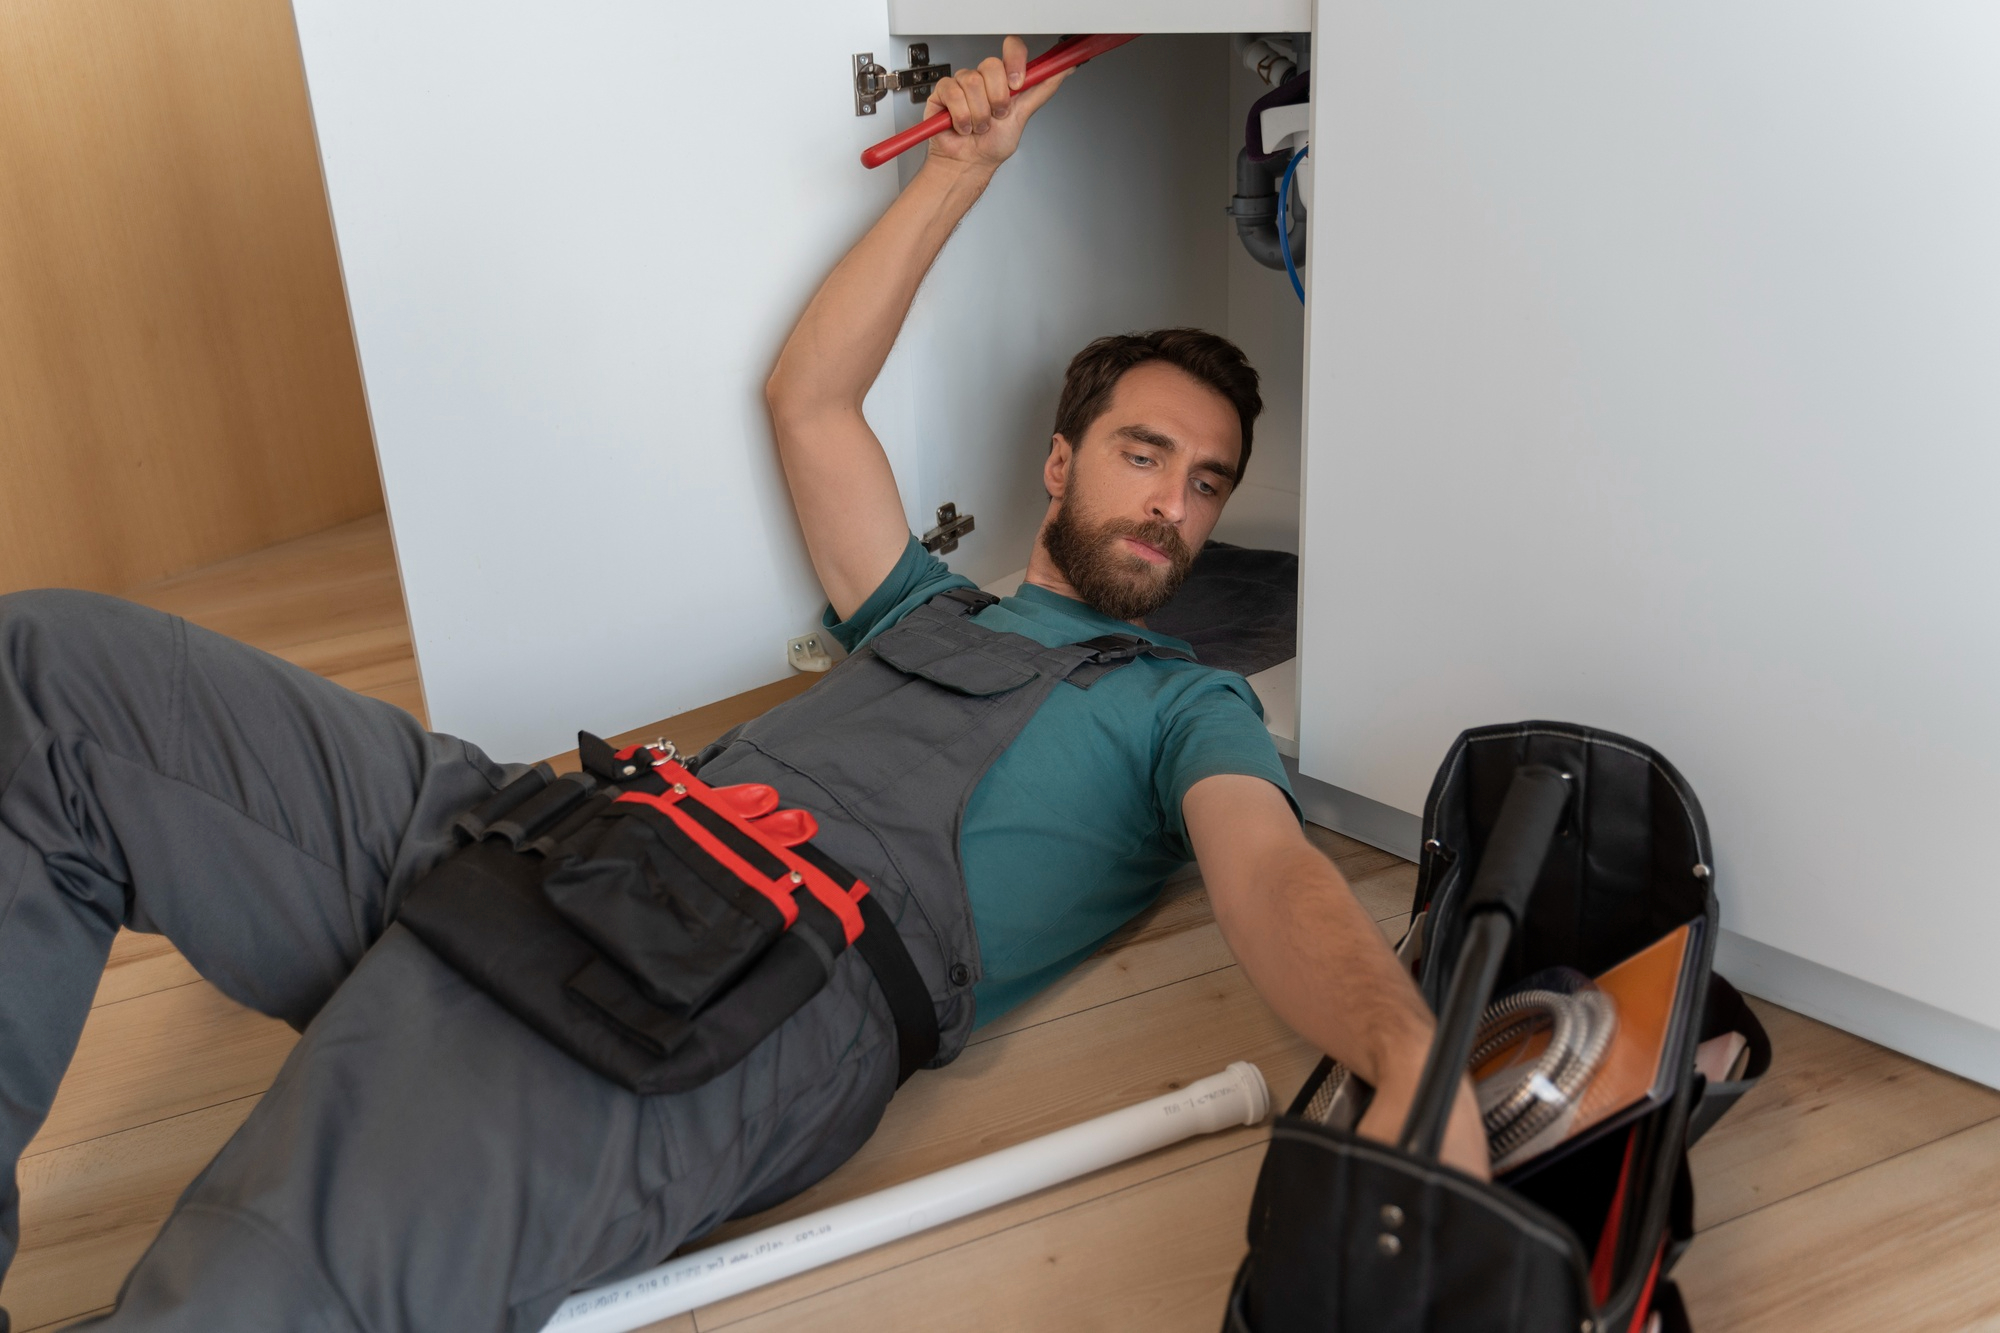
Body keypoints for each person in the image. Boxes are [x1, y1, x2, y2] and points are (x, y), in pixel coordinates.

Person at [0, 37, 1483, 1333]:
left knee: (270, 1289)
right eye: (1143, 453)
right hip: (547, 830)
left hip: (737, 978)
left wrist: (1403, 1044)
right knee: (49, 680)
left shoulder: (1183, 705)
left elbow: (1270, 874)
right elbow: (809, 399)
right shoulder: (925, 605)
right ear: (1060, 462)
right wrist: (959, 169)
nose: (1172, 503)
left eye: (1207, 482)